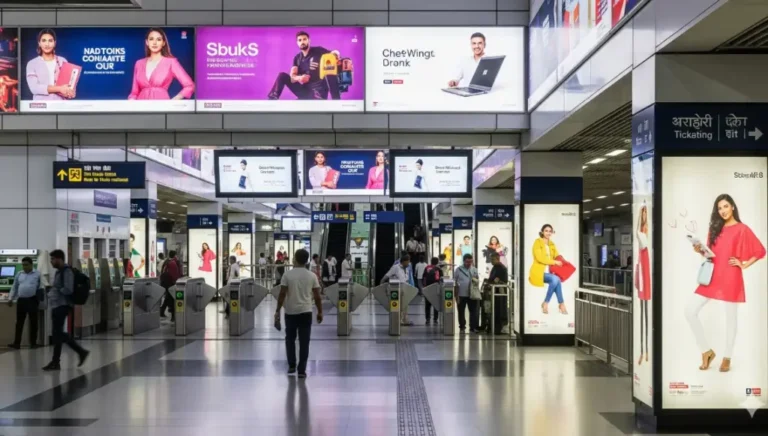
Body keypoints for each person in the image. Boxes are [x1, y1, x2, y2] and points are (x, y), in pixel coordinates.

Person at [686, 194, 765, 373]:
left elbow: (760, 251)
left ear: (733, 207)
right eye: (719, 208)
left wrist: (744, 264)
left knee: (731, 318)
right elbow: (710, 254)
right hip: (712, 275)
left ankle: (727, 356)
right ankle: (706, 351)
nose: (722, 211)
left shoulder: (742, 228)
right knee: (689, 311)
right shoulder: (715, 228)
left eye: (725, 207)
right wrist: (700, 250)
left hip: (731, 276)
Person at [274, 249, 323, 378]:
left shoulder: (287, 275)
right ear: (307, 260)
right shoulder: (312, 275)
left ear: (295, 258)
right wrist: (320, 312)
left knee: (289, 340)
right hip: (306, 312)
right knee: (304, 341)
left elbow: (282, 294)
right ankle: (302, 369)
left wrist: (277, 311)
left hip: (290, 312)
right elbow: (317, 296)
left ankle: (291, 365)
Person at [44, 249, 89, 371]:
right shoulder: (59, 272)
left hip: (62, 305)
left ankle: (80, 352)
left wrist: (57, 289)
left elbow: (68, 289)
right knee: (57, 334)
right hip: (57, 305)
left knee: (58, 333)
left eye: (52, 259)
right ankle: (56, 361)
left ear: (59, 259)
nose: (51, 262)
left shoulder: (67, 271)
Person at [268, 31, 341, 101]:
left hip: (318, 93)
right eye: (300, 40)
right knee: (282, 76)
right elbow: (292, 77)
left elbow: (334, 52)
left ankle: (334, 102)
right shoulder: (297, 58)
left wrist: (335, 55)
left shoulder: (318, 50)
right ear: (297, 43)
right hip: (305, 91)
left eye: (304, 39)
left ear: (309, 41)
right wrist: (299, 78)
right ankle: (272, 99)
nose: (302, 42)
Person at [128, 28, 194, 101]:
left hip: (162, 106)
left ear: (163, 43)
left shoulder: (171, 62)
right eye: (151, 39)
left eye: (158, 39)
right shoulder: (139, 63)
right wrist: (131, 102)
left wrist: (176, 99)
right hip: (141, 107)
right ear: (147, 42)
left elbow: (189, 85)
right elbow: (134, 92)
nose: (154, 42)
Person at [529, 224, 567, 315]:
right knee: (555, 279)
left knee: (556, 280)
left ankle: (561, 304)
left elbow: (557, 257)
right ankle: (547, 303)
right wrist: (554, 262)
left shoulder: (552, 244)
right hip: (538, 272)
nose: (548, 233)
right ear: (542, 232)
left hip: (550, 271)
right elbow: (540, 258)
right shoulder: (537, 242)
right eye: (546, 231)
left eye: (550, 231)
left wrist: (563, 262)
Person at [26, 28, 74, 100]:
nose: (47, 44)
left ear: (55, 43)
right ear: (39, 43)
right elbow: (34, 88)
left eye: (50, 41)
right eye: (44, 40)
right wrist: (59, 89)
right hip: (41, 107)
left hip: (61, 106)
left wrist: (70, 92)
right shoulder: (32, 63)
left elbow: (68, 86)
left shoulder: (62, 61)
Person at [7, 257, 42, 349]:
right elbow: (14, 287)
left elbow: (40, 287)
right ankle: (16, 343)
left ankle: (33, 343)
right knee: (19, 323)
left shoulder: (37, 274)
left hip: (32, 300)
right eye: (23, 265)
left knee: (33, 322)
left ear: (31, 265)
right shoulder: (19, 274)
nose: (24, 267)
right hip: (21, 300)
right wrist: (10, 298)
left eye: (26, 265)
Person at [635, 203, 651, 365]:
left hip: (647, 277)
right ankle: (642, 350)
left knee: (646, 314)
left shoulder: (647, 244)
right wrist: (641, 214)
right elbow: (638, 231)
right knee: (642, 312)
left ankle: (646, 350)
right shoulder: (642, 243)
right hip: (643, 279)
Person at [383, 254, 413, 326]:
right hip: (397, 289)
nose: (409, 263)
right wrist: (381, 284)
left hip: (405, 288)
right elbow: (387, 275)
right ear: (404, 261)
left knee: (405, 305)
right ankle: (398, 320)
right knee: (398, 305)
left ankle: (405, 320)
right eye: (408, 262)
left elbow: (407, 278)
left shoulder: (407, 268)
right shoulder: (396, 267)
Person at [454, 254, 480, 333]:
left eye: (470, 262)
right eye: (467, 262)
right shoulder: (458, 269)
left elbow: (477, 280)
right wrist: (456, 295)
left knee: (473, 311)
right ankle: (462, 326)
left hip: (472, 294)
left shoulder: (474, 269)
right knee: (461, 311)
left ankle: (473, 327)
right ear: (464, 261)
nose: (469, 263)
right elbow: (455, 282)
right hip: (461, 294)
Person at [487, 253, 509, 334]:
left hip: (499, 293)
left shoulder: (502, 268)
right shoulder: (495, 267)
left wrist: (497, 281)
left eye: (493, 259)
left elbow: (504, 281)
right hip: (494, 292)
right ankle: (493, 327)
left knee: (499, 310)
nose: (491, 261)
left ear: (497, 258)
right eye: (491, 259)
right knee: (494, 309)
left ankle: (499, 328)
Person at [159, 250, 182, 321]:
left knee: (168, 297)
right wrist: (177, 282)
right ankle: (173, 316)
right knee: (172, 299)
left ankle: (162, 311)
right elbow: (174, 274)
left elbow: (162, 271)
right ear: (175, 255)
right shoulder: (173, 263)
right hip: (171, 283)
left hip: (165, 282)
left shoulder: (166, 261)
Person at [422, 257, 442, 324]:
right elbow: (441, 278)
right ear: (437, 262)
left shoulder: (427, 268)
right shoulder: (438, 269)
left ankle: (427, 319)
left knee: (427, 304)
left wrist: (424, 286)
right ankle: (435, 319)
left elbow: (423, 277)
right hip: (436, 287)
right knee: (435, 304)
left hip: (428, 288)